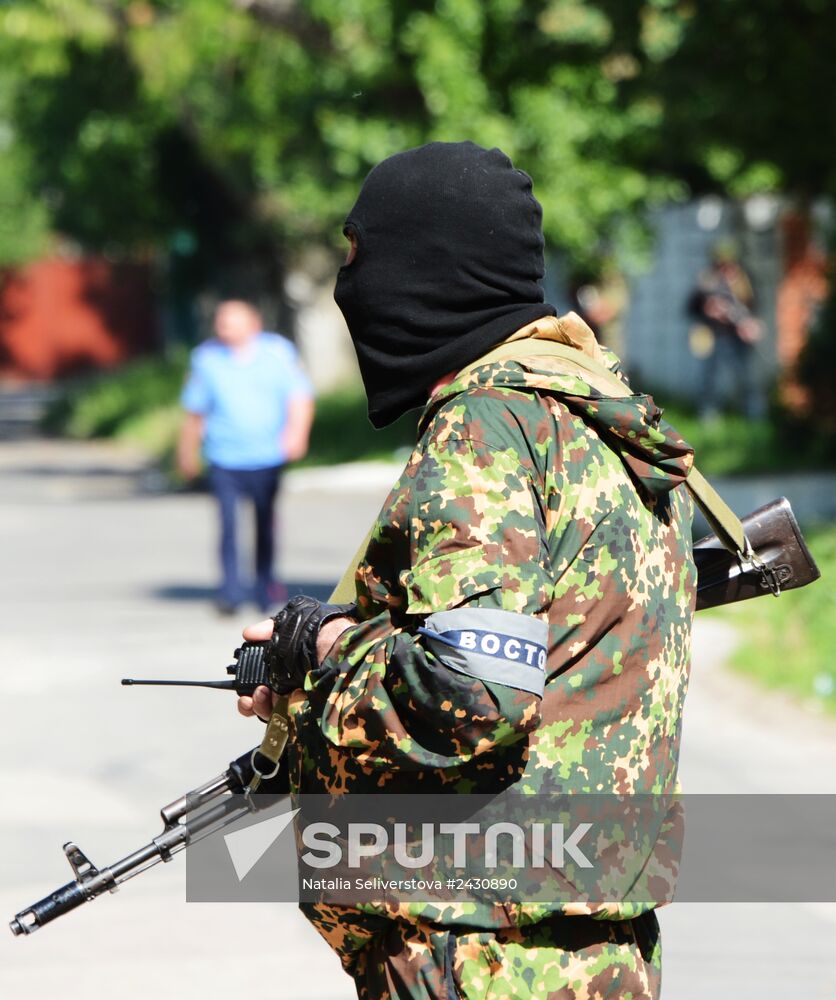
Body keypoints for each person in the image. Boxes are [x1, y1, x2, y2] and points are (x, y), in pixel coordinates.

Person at [238, 142, 696, 998]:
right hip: (583, 938)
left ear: (427, 263)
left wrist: (327, 645)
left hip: (481, 946)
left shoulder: (487, 424)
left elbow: (476, 689)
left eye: (359, 255)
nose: (350, 285)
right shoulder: (595, 418)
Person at [178, 300, 314, 613]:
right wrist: (187, 452)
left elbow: (299, 396)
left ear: (253, 324)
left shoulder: (278, 353)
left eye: (231, 322)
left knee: (265, 522)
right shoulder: (206, 359)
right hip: (224, 456)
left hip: (267, 455)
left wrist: (297, 434)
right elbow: (195, 410)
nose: (223, 328)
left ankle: (265, 585)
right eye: (221, 322)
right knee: (227, 523)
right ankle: (230, 590)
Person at [687, 239, 766, 420]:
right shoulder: (707, 280)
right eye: (722, 264)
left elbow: (754, 306)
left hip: (737, 337)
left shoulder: (744, 280)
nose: (727, 269)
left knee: (747, 378)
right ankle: (708, 415)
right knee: (710, 379)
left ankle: (754, 416)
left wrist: (751, 324)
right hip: (714, 336)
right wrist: (708, 311)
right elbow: (691, 308)